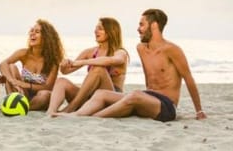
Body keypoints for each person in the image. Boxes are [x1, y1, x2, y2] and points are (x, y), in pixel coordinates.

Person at [54, 8, 207, 122]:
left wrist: (198, 110)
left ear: (154, 26)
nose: (138, 29)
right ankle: (78, 113)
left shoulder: (172, 50)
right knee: (101, 94)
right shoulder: (141, 48)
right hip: (147, 97)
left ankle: (84, 117)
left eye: (141, 25)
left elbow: (189, 79)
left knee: (134, 95)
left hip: (166, 106)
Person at [46, 17, 129, 115]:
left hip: (109, 97)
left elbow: (115, 60)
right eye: (96, 28)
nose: (95, 31)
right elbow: (66, 71)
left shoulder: (120, 52)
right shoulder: (90, 52)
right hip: (89, 97)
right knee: (61, 81)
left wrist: (84, 62)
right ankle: (51, 111)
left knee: (98, 69)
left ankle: (71, 108)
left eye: (100, 29)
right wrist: (64, 64)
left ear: (111, 32)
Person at [0, 19, 64, 111]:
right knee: (11, 67)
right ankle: (11, 101)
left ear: (46, 38)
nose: (32, 34)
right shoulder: (23, 53)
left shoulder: (53, 61)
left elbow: (48, 87)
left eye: (37, 32)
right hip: (23, 94)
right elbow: (2, 64)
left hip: (39, 98)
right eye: (31, 31)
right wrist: (13, 81)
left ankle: (23, 108)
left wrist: (25, 84)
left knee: (45, 94)